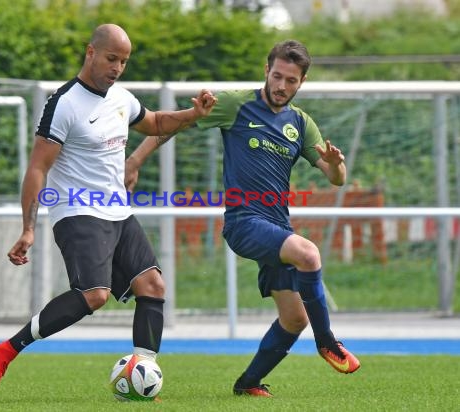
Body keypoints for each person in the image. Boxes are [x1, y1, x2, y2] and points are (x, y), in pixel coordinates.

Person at [0, 23, 216, 395]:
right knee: (95, 295)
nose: (117, 68)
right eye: (111, 59)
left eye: (123, 61)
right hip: (76, 210)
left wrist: (193, 114)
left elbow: (153, 123)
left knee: (152, 285)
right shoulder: (64, 104)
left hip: (116, 209)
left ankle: (142, 372)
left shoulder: (122, 98)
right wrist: (28, 228)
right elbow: (37, 167)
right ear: (90, 52)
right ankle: (5, 351)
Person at [126, 40, 360, 398]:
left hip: (277, 228)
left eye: (291, 81)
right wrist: (135, 161)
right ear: (267, 71)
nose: (282, 86)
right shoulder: (237, 103)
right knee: (309, 254)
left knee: (294, 319)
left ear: (302, 82)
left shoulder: (300, 123)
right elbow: (174, 124)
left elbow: (335, 177)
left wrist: (337, 162)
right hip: (243, 222)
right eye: (277, 76)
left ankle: (248, 383)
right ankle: (327, 341)